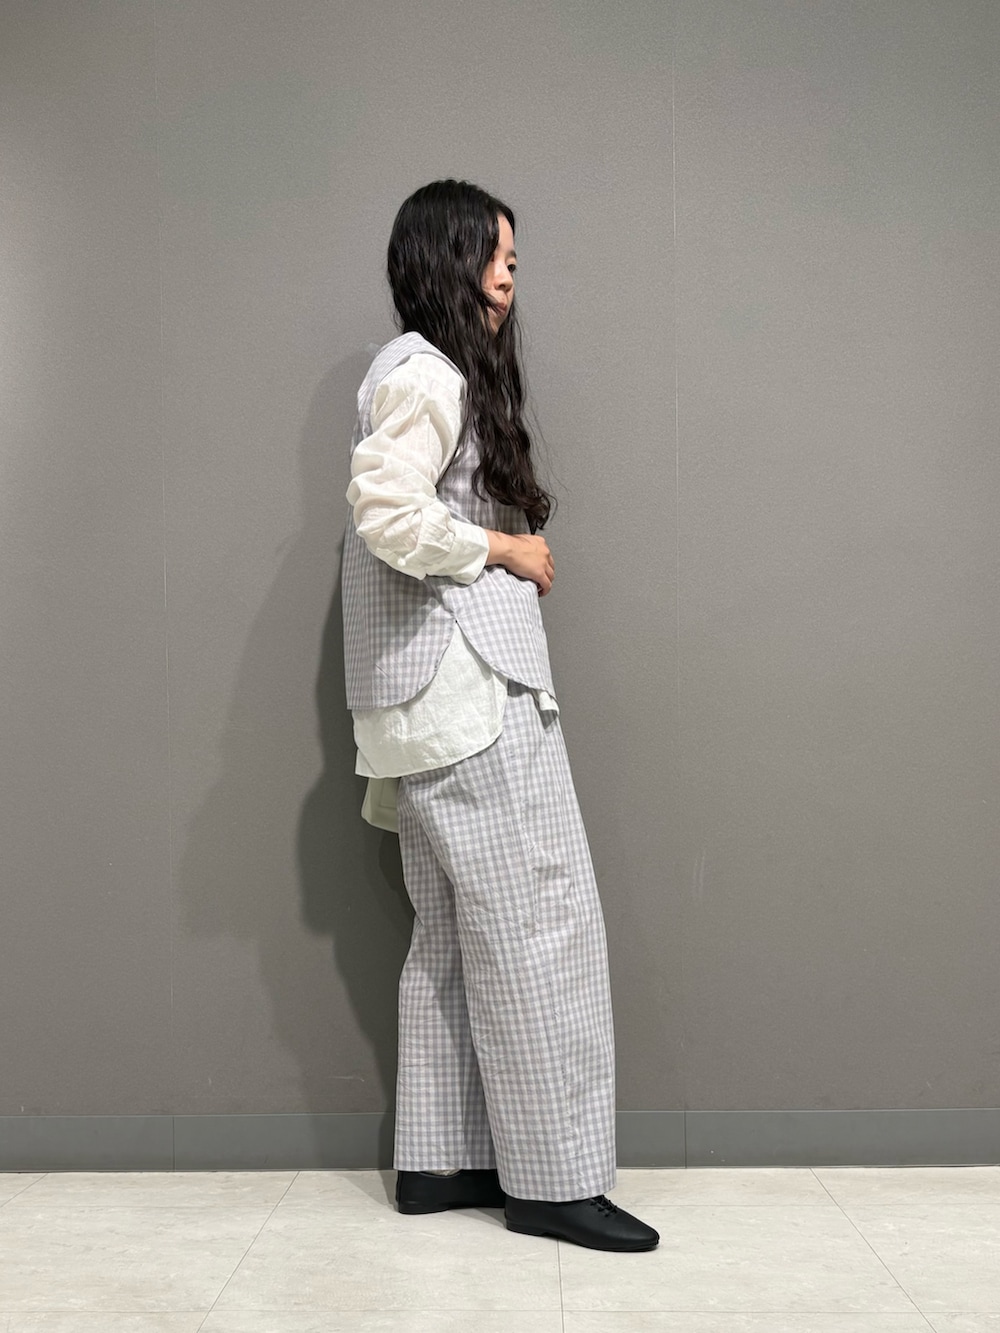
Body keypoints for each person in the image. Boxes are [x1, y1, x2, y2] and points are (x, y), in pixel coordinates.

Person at [341, 179, 658, 1252]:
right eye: (495, 255)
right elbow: (388, 509)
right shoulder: (429, 375)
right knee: (538, 923)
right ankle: (555, 1181)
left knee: (453, 935)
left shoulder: (406, 373)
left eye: (514, 259)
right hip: (468, 689)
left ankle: (443, 1160)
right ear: (448, 258)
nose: (509, 276)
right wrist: (503, 547)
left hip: (418, 703)